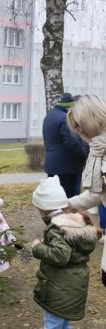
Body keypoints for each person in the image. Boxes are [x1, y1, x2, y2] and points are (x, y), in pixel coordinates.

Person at [30, 176, 100, 329]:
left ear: (45, 210)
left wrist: (38, 248)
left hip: (60, 286)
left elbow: (61, 256)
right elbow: (68, 249)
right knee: (64, 326)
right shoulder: (76, 222)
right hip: (74, 283)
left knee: (53, 328)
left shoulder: (56, 228)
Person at [66, 94, 106, 286]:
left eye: (80, 123)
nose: (79, 130)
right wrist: (65, 205)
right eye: (75, 127)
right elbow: (96, 193)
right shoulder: (97, 148)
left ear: (94, 116)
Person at [42, 92, 89, 198]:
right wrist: (84, 157)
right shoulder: (65, 118)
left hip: (52, 166)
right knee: (69, 198)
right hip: (67, 168)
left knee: (54, 197)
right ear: (69, 107)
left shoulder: (49, 116)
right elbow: (71, 143)